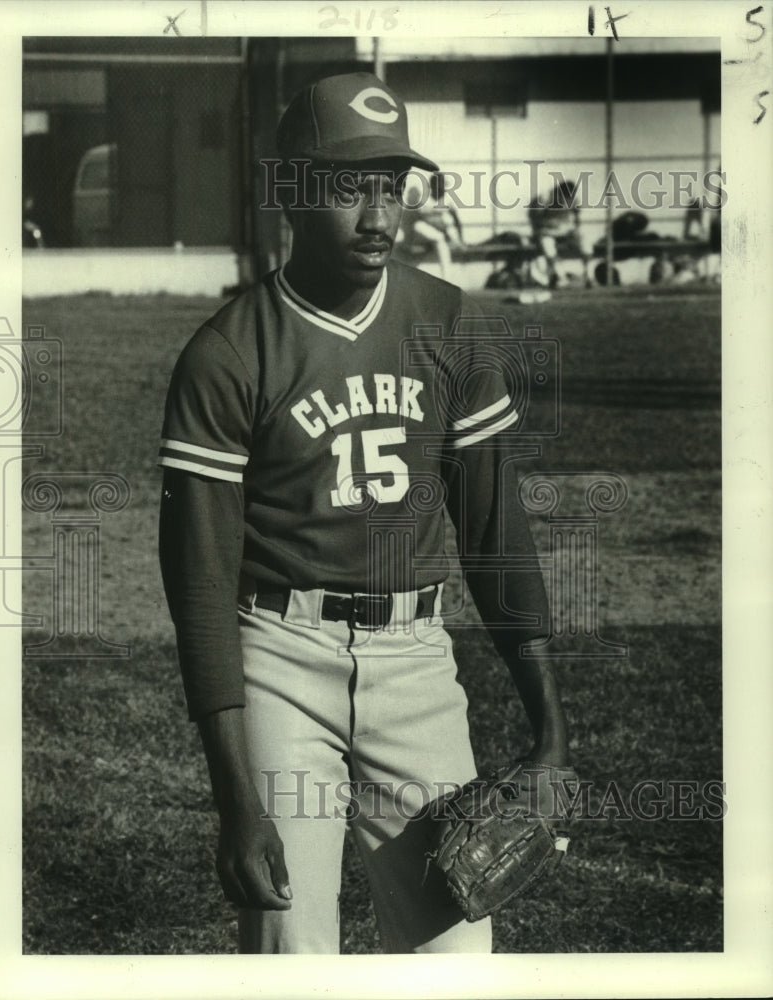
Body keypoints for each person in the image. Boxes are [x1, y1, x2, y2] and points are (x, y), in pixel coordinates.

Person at [158, 71, 571, 955]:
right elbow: (199, 588)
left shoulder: (448, 325)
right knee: (289, 947)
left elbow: (499, 535)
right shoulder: (228, 354)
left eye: (391, 185)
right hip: (278, 658)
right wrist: (237, 799)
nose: (379, 215)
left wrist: (550, 733)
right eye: (350, 187)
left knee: (454, 956)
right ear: (295, 191)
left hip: (415, 665)